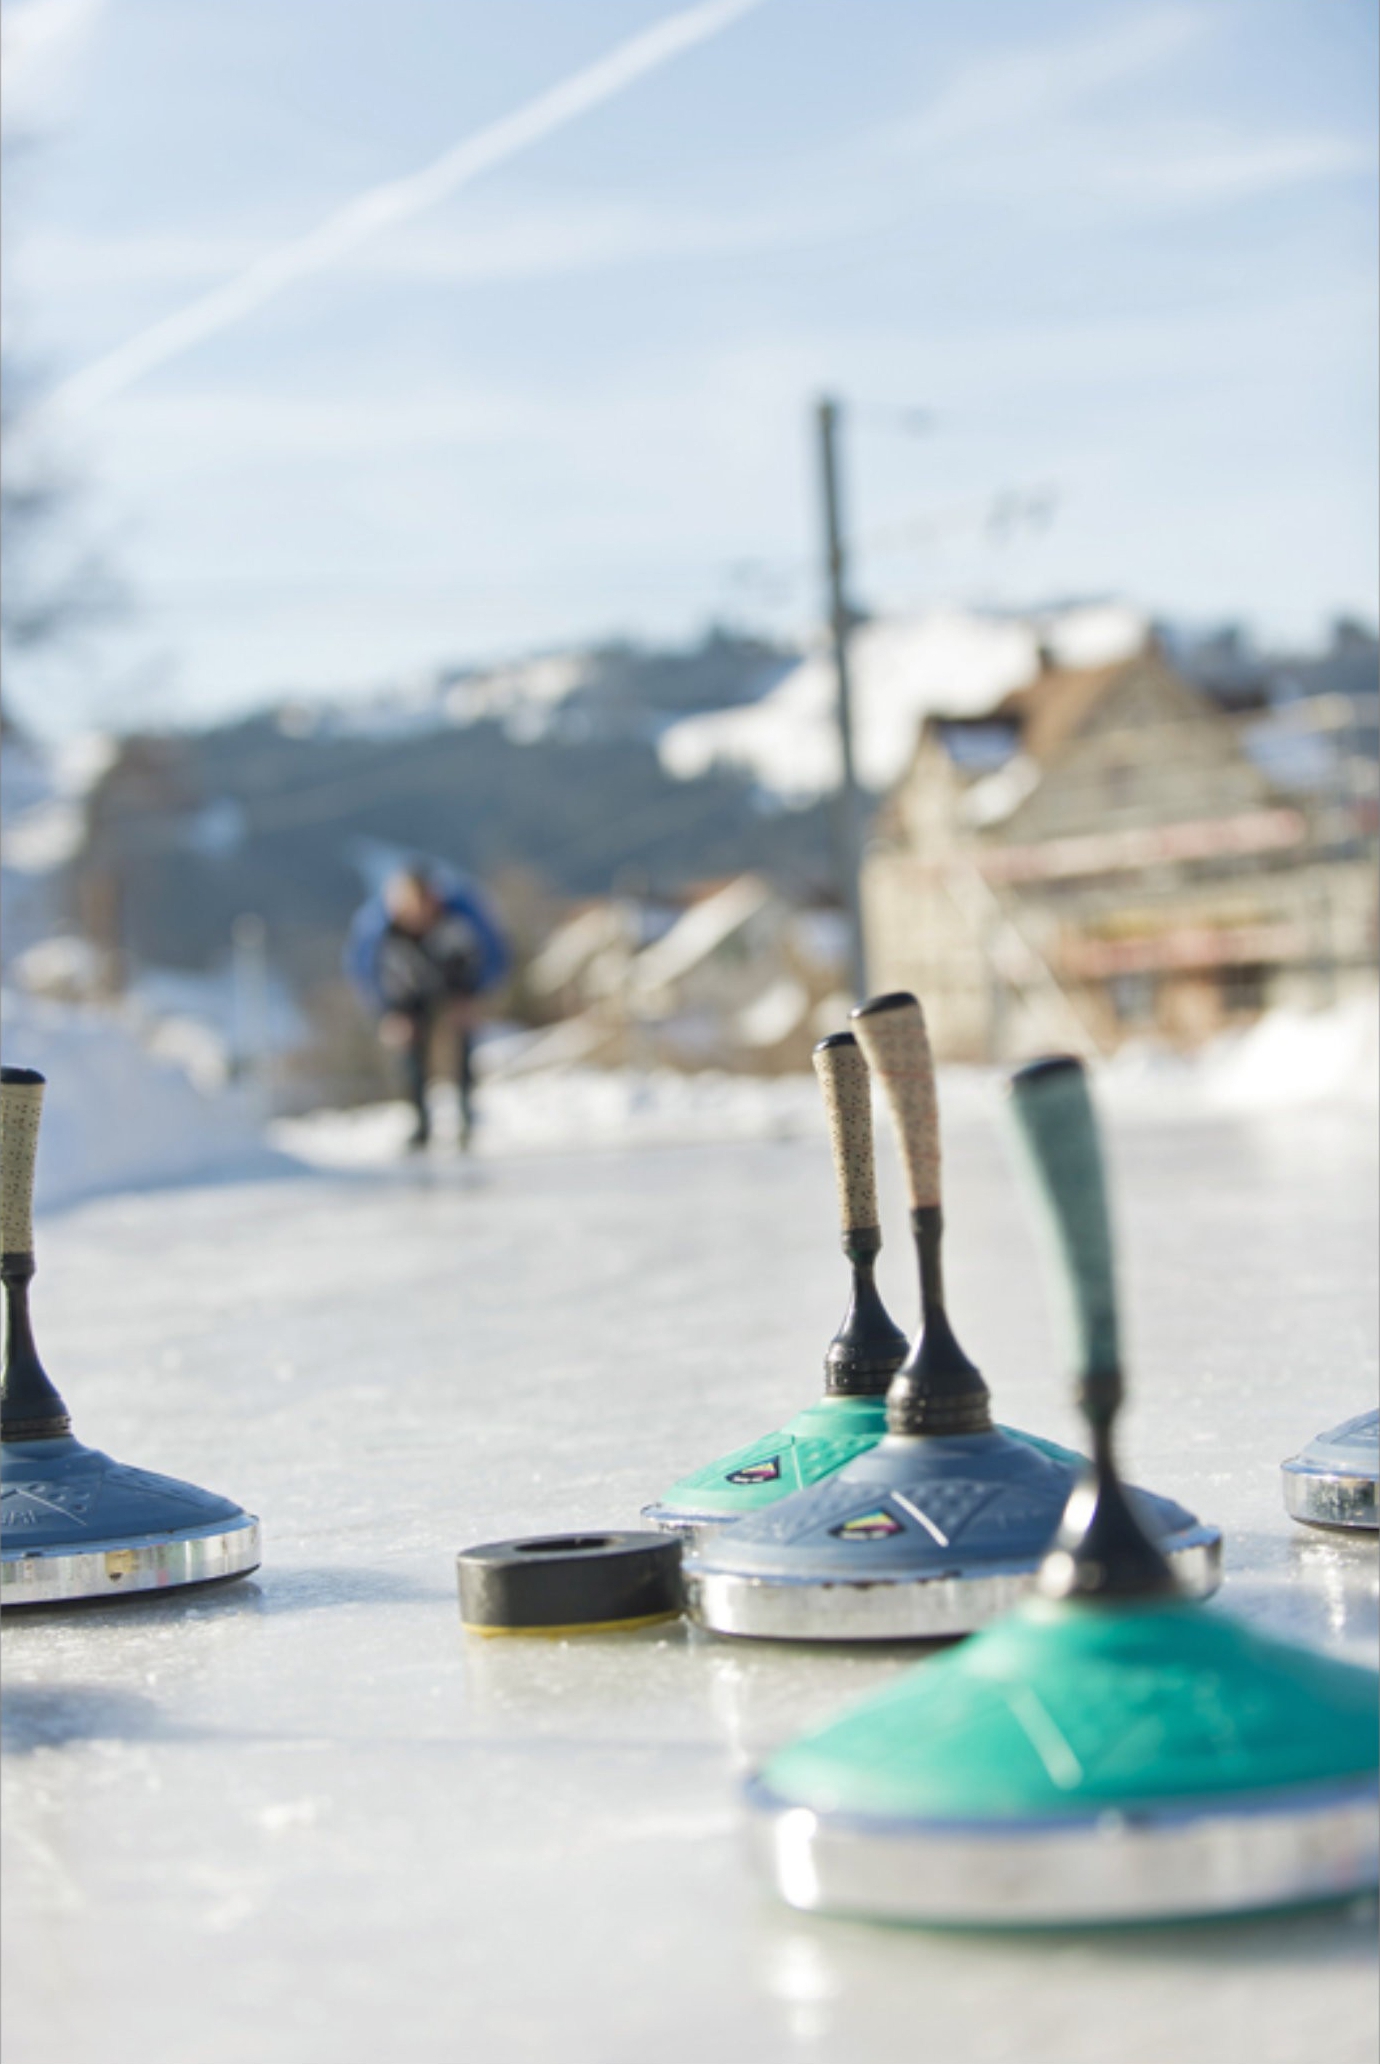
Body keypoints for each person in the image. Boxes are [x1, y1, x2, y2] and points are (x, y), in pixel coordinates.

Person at [345, 865, 509, 1149]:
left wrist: (477, 996)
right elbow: (363, 973)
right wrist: (387, 1014)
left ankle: (467, 1117)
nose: (419, 915)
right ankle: (420, 1125)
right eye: (411, 908)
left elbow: (496, 952)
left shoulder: (462, 915)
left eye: (425, 906)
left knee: (462, 1044)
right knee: (410, 1053)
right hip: (405, 990)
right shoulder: (376, 929)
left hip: (457, 981)